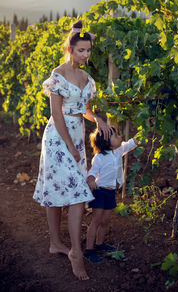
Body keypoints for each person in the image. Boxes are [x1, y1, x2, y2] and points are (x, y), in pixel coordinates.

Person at [33, 20, 112, 280]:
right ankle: (72, 252)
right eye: (81, 51)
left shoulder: (87, 78)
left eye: (88, 51)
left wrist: (97, 119)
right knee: (75, 193)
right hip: (58, 138)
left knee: (71, 190)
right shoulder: (58, 75)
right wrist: (71, 148)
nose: (85, 55)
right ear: (70, 48)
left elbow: (83, 110)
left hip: (77, 135)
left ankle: (58, 244)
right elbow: (57, 114)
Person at [84, 127, 140, 263]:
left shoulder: (119, 151)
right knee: (96, 221)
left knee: (105, 221)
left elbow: (133, 142)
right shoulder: (99, 157)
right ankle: (89, 250)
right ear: (106, 142)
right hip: (100, 192)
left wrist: (145, 129)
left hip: (110, 193)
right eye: (115, 136)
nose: (120, 137)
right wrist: (91, 179)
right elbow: (92, 172)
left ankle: (100, 243)